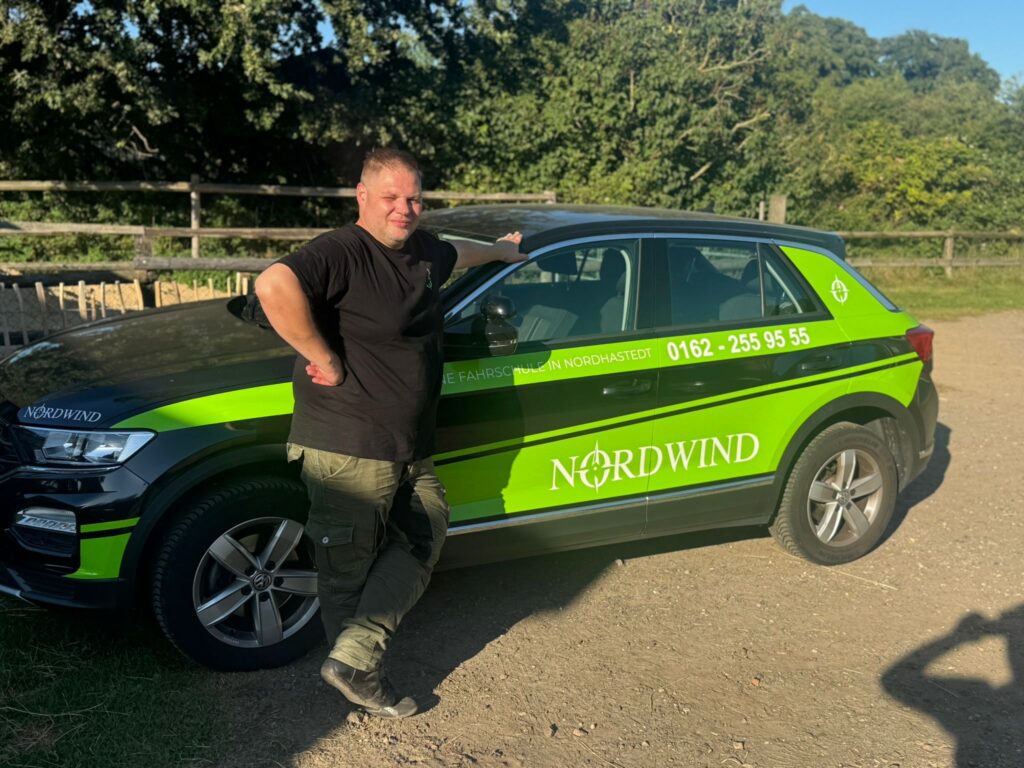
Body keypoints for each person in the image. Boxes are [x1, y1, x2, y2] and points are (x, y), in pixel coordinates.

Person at [254, 148, 524, 718]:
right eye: (391, 198)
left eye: (414, 198)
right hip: (347, 446)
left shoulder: (424, 251)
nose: (405, 209)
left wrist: (501, 251)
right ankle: (355, 676)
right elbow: (274, 285)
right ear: (362, 196)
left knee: (426, 528)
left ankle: (350, 662)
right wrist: (321, 356)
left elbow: (459, 251)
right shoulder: (342, 252)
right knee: (347, 570)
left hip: (407, 446)